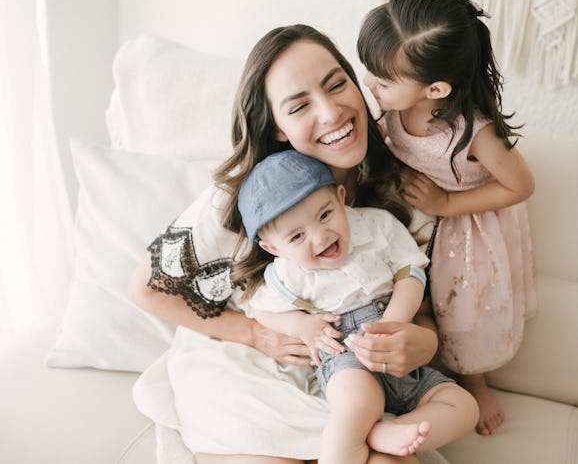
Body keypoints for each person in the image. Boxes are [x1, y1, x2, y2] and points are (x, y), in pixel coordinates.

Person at [129, 24, 455, 464]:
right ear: (278, 128)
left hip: (358, 375)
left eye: (337, 84)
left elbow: (423, 313)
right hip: (248, 365)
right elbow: (146, 289)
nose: (331, 112)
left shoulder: (407, 195)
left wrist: (423, 343)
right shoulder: (246, 198)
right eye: (299, 106)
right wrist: (254, 333)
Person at [358, 0, 537, 436]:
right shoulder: (394, 106)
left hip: (466, 223)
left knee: (461, 310)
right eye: (369, 72)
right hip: (416, 217)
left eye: (381, 80)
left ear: (435, 88)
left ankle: (475, 381)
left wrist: (448, 203)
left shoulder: (473, 131)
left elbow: (520, 185)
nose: (368, 85)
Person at [236, 150, 478, 463]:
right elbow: (262, 311)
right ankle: (358, 436)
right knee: (357, 407)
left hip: (400, 350)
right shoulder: (286, 272)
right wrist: (303, 326)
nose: (320, 236)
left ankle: (386, 432)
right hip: (345, 355)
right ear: (273, 248)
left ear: (340, 198)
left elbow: (411, 272)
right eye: (297, 236)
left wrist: (394, 321)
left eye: (325, 215)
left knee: (464, 407)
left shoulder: (377, 225)